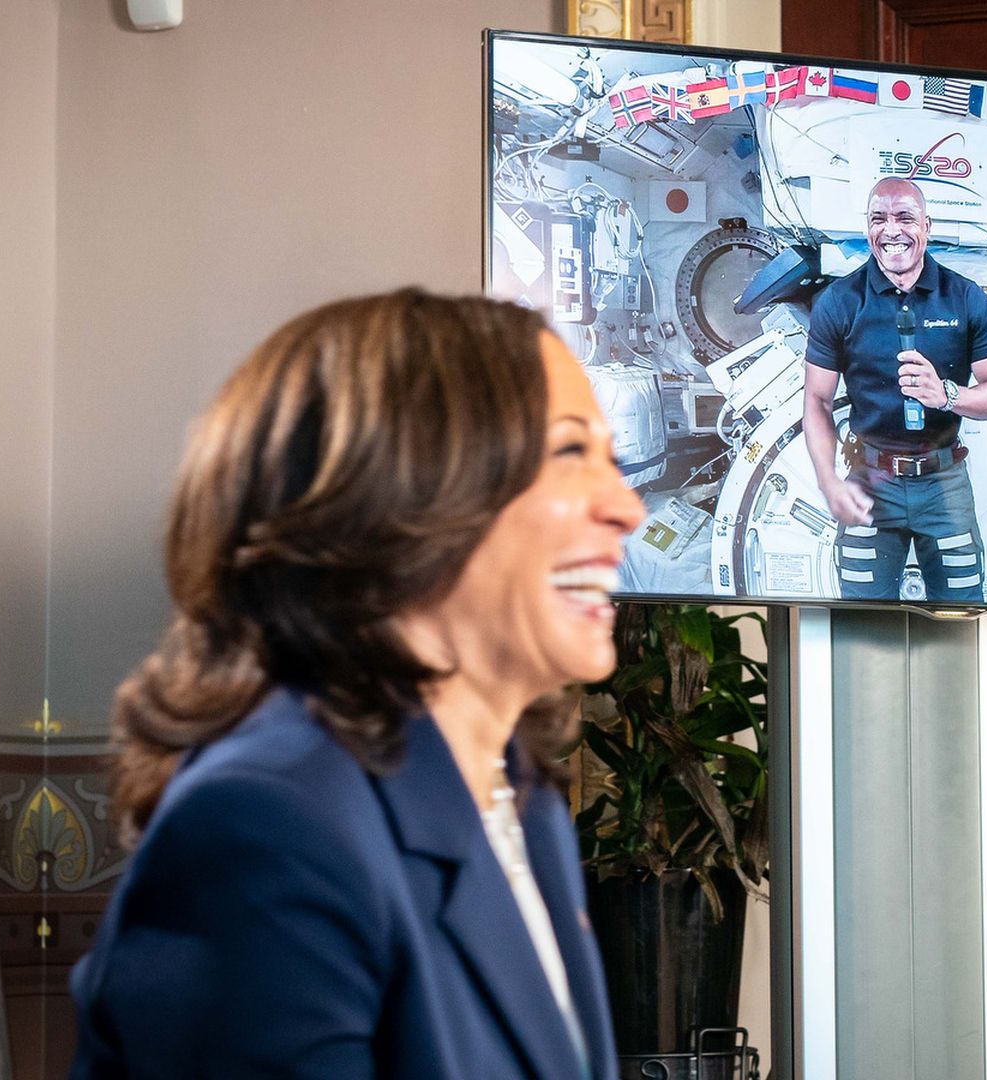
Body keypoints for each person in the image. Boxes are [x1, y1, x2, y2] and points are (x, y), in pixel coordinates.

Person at [69, 289, 643, 1079]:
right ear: (409, 491)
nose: (628, 506)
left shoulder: (525, 800)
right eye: (572, 452)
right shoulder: (267, 829)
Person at [802, 177, 987, 603]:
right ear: (868, 229)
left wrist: (947, 395)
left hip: (945, 483)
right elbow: (817, 400)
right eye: (878, 219)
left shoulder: (963, 297)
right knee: (863, 618)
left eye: (905, 217)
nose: (892, 230)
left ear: (927, 225)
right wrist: (828, 482)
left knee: (960, 616)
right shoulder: (840, 302)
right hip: (870, 479)